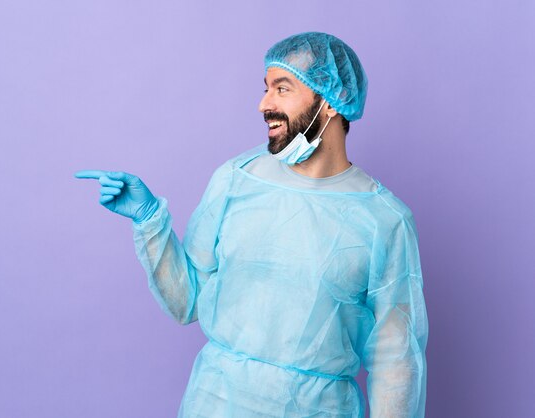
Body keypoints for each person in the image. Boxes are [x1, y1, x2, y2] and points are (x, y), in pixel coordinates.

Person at [76, 32, 428, 418]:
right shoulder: (237, 179)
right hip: (216, 402)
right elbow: (188, 300)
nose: (264, 104)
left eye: (282, 89)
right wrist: (149, 222)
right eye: (266, 88)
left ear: (327, 99)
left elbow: (396, 360)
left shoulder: (383, 219)